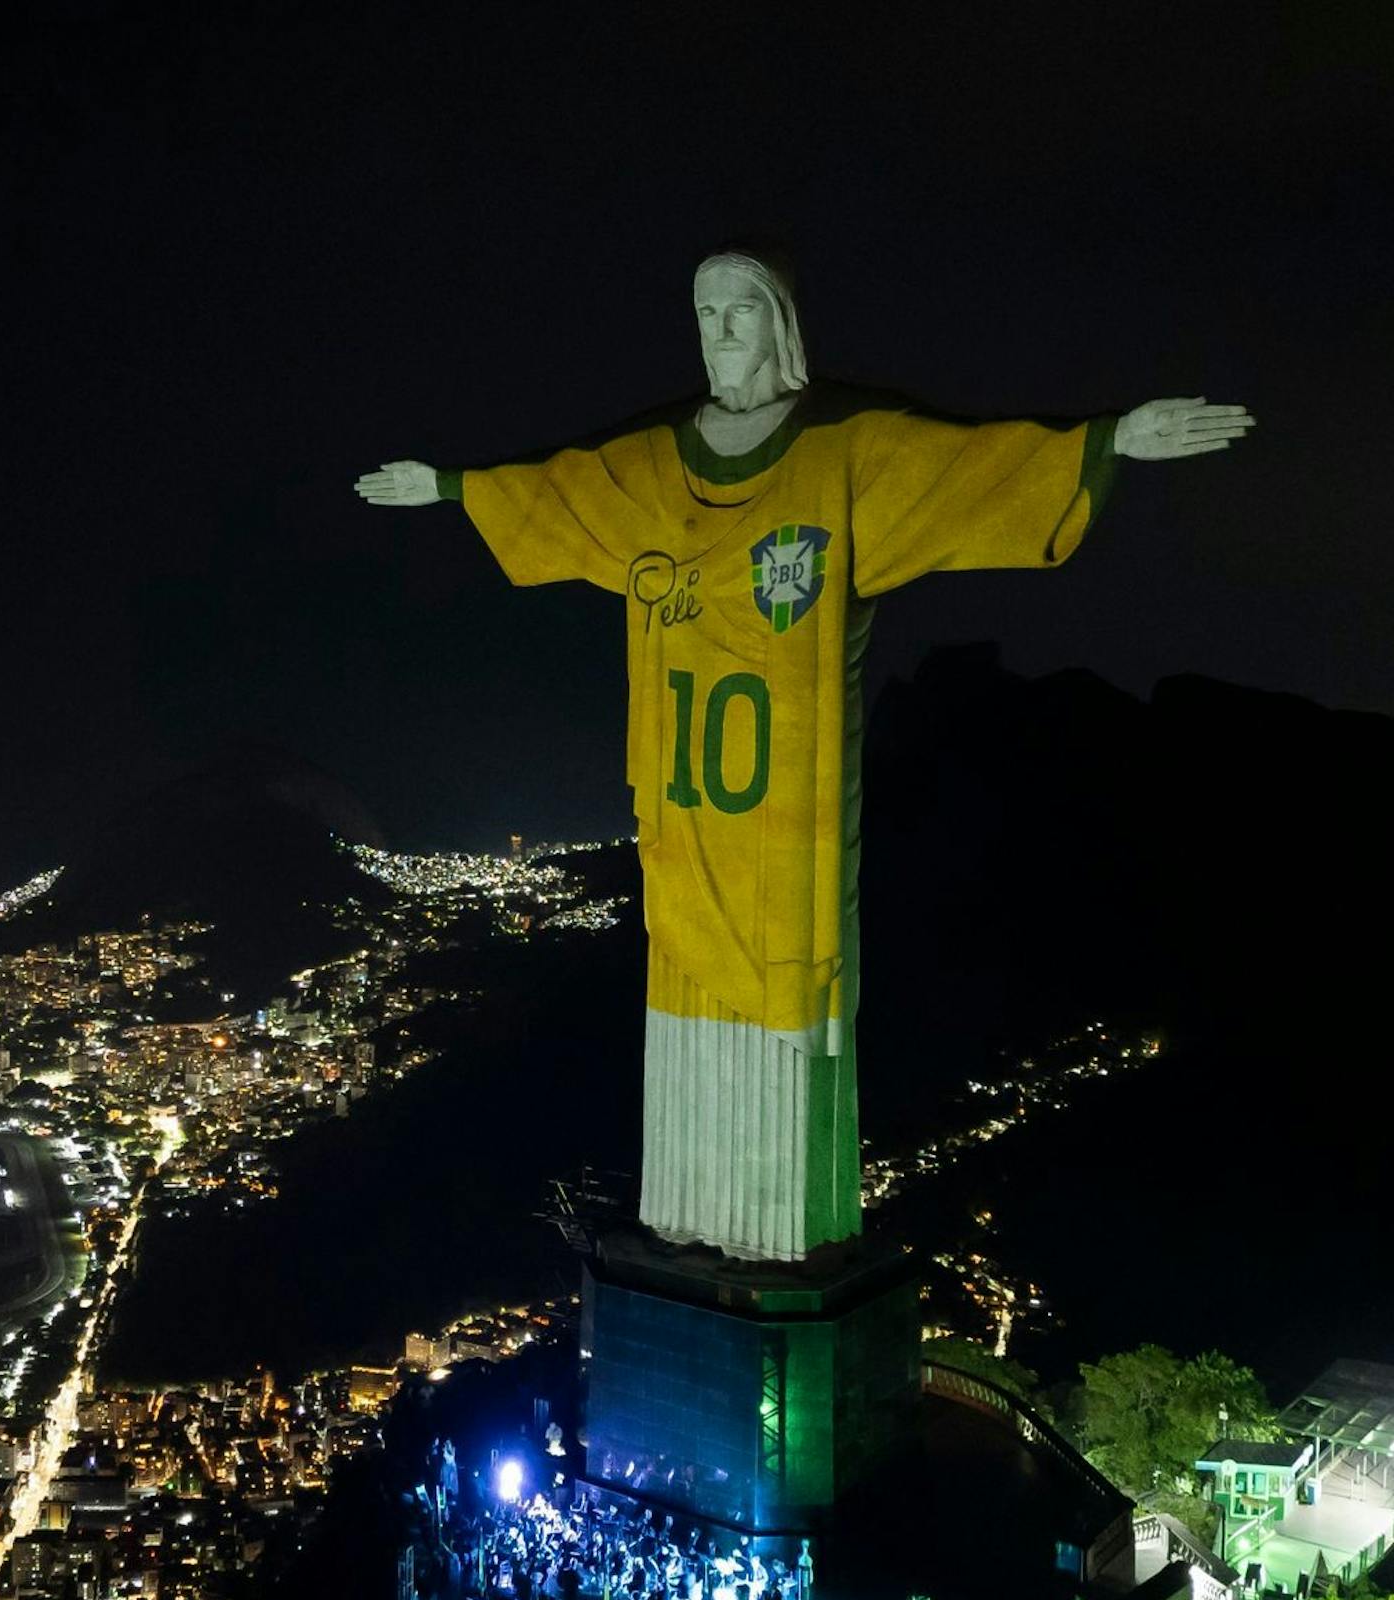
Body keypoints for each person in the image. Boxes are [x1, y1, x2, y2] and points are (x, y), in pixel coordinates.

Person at [356, 248, 1252, 1261]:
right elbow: (561, 492)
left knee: (792, 981)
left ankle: (780, 1237)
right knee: (679, 969)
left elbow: (964, 466)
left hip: (786, 805)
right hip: (686, 801)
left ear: (778, 325)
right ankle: (689, 1229)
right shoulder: (657, 462)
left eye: (739, 310)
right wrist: (445, 486)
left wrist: (1108, 440)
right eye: (702, 311)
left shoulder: (841, 447)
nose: (718, 331)